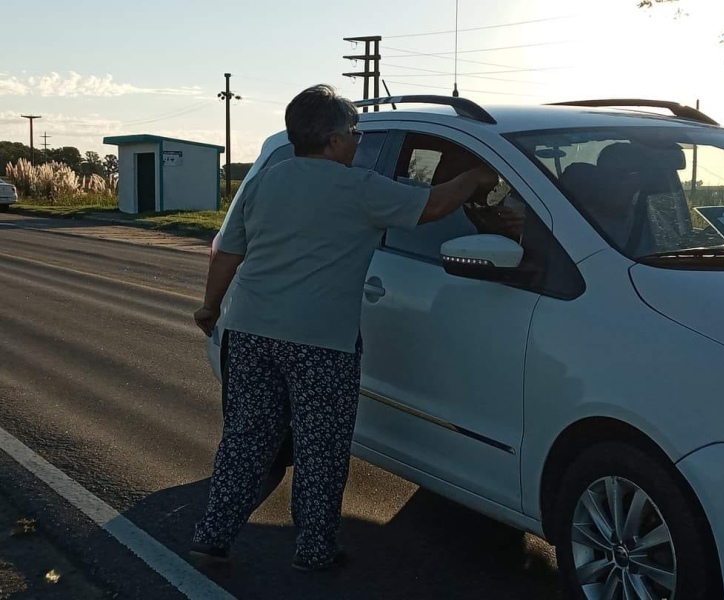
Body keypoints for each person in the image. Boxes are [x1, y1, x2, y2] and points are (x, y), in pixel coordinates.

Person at [189, 84, 498, 572]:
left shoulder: (265, 181)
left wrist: (210, 306)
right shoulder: (360, 188)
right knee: (321, 449)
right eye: (353, 133)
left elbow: (229, 249)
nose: (357, 142)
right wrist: (477, 176)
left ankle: (213, 534)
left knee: (246, 439)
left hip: (249, 332)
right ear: (332, 141)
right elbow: (433, 206)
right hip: (320, 344)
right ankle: (314, 550)